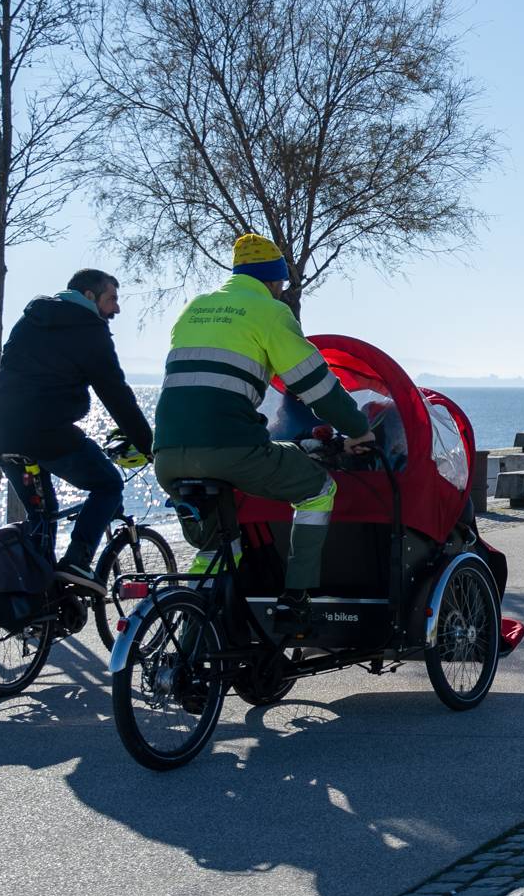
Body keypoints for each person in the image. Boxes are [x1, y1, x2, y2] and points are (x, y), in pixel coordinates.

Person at [152, 234, 373, 631]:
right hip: (231, 449)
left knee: (220, 540)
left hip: (167, 455)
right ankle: (296, 595)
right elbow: (316, 385)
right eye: (282, 284)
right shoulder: (270, 312)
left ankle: (195, 629)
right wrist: (359, 430)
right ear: (275, 281)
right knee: (317, 488)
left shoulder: (194, 310)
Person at [0, 268, 154, 594]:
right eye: (112, 299)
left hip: (2, 433)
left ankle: (37, 598)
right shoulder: (89, 330)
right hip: (46, 433)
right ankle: (78, 559)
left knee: (42, 518)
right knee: (107, 485)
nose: (116, 309)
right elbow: (116, 394)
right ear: (89, 297)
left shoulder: (32, 318)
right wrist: (148, 444)